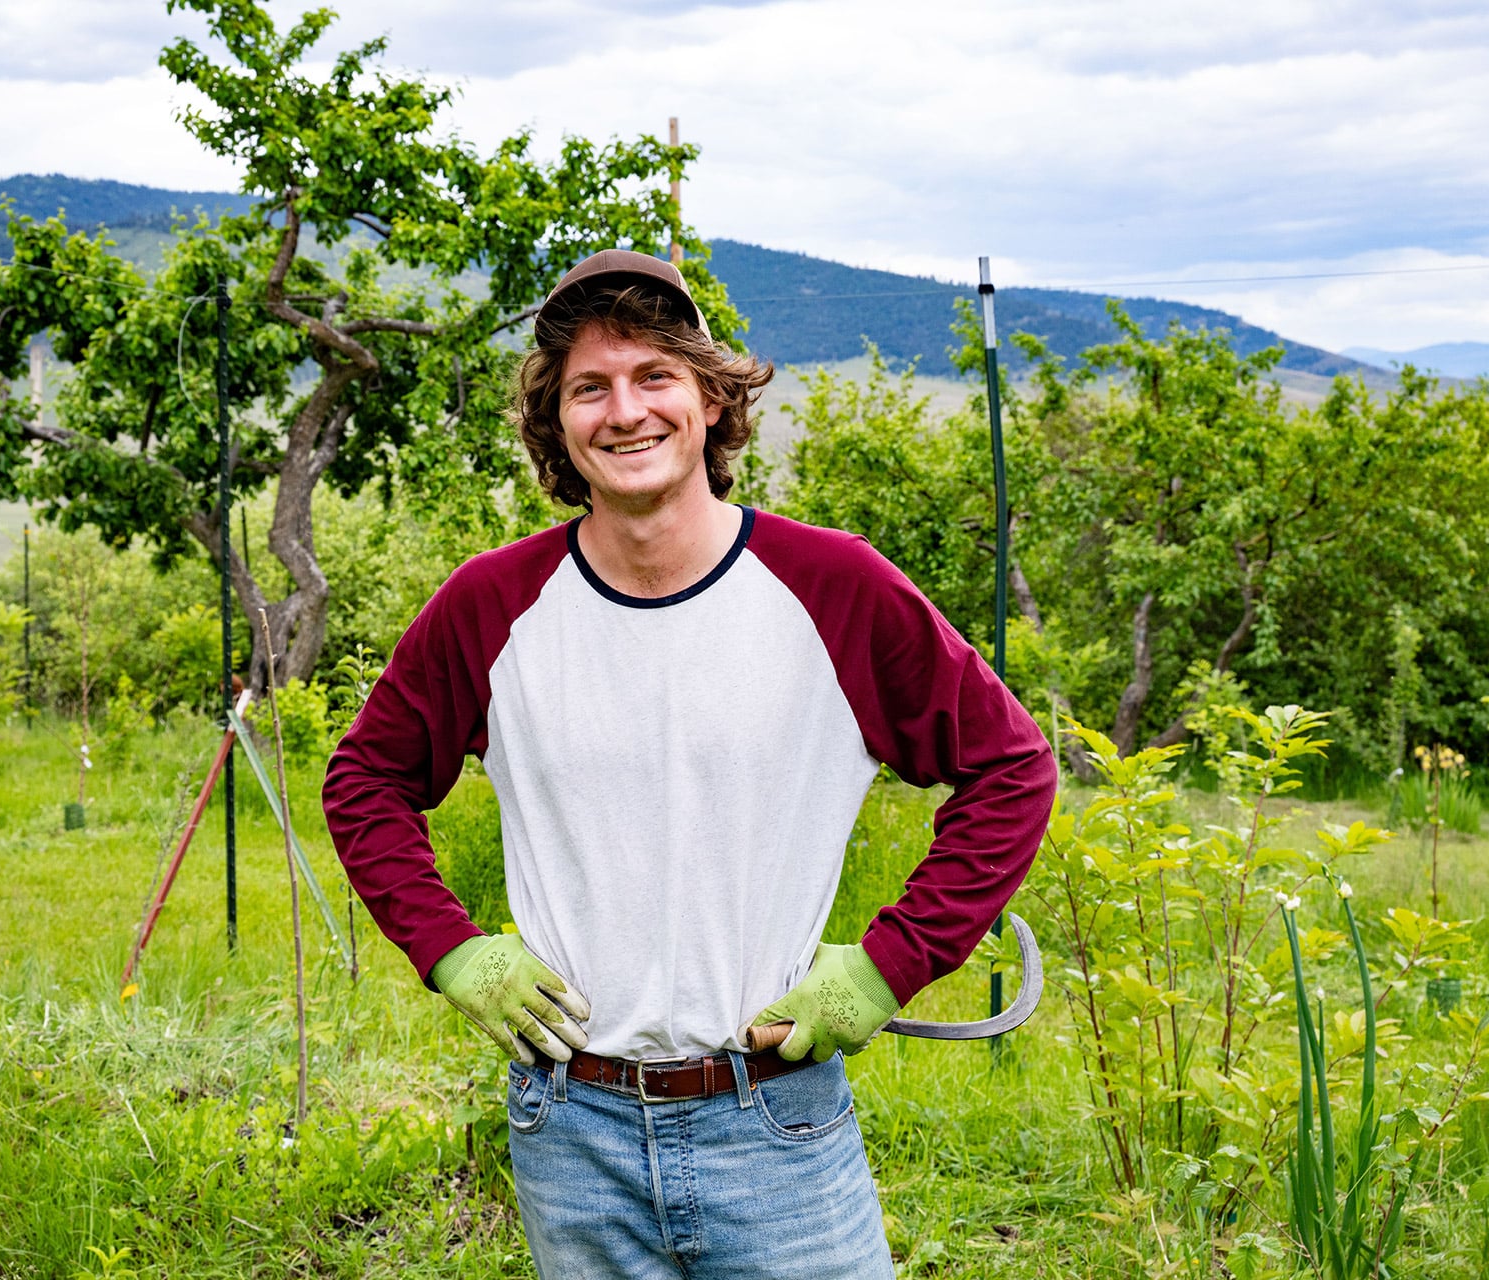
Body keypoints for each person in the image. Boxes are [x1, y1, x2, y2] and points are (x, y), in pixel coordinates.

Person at [323, 249, 1057, 1277]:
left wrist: (888, 965)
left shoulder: (833, 586)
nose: (625, 411)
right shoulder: (493, 606)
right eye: (589, 387)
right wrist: (451, 950)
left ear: (711, 399)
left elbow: (1012, 767)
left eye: (655, 376)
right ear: (557, 423)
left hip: (775, 1118)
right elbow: (365, 779)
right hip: (568, 1126)